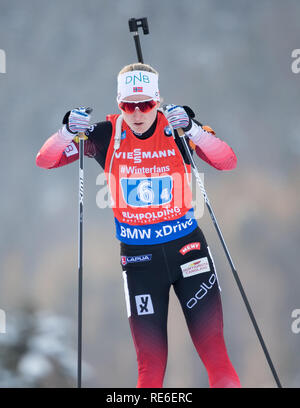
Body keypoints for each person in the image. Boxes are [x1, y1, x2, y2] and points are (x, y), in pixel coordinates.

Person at [36, 62, 241, 388]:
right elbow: (46, 159)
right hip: (140, 261)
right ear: (119, 104)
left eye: (145, 104)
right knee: (150, 368)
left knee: (216, 355)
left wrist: (194, 130)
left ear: (157, 100)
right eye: (128, 105)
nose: (137, 112)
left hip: (188, 253)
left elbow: (226, 160)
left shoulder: (177, 127)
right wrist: (66, 131)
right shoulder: (105, 134)